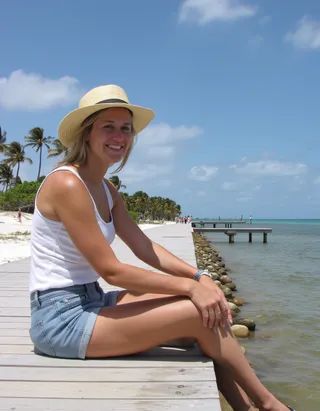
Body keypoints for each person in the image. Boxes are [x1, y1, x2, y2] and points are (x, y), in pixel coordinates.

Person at [29, 85, 295, 411]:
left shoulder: (108, 190)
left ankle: (248, 408)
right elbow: (112, 270)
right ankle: (270, 405)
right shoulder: (67, 184)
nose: (119, 136)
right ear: (87, 134)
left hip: (93, 301)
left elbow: (144, 247)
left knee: (204, 315)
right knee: (197, 310)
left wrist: (200, 277)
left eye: (125, 128)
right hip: (60, 321)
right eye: (107, 127)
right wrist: (191, 288)